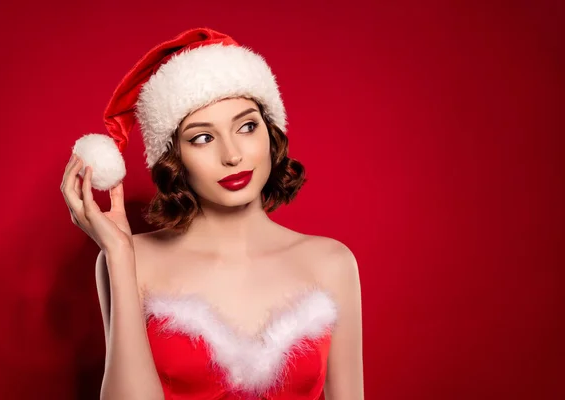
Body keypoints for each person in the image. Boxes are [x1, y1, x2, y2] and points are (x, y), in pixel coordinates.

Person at [61, 27, 363, 400]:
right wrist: (119, 256)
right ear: (174, 158)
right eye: (202, 137)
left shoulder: (331, 263)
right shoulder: (129, 260)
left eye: (247, 126)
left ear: (271, 134)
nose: (232, 155)